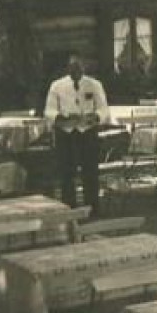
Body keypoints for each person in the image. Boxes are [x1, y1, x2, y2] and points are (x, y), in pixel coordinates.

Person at [44, 54, 111, 215]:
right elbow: (49, 110)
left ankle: (92, 208)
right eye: (72, 67)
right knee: (66, 172)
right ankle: (69, 209)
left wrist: (95, 117)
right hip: (66, 134)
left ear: (84, 67)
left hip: (87, 132)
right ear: (67, 68)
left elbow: (104, 109)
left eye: (79, 67)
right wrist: (61, 117)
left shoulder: (94, 85)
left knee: (90, 171)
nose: (76, 70)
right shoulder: (57, 86)